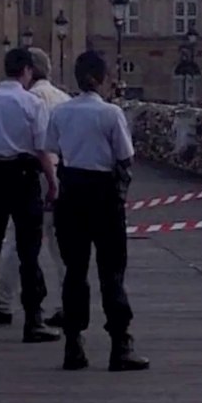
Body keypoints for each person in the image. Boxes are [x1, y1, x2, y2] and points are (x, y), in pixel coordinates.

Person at [48, 51, 149, 372]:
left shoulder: (61, 112)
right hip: (103, 193)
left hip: (71, 191)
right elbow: (125, 156)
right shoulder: (110, 113)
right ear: (102, 78)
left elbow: (53, 149)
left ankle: (73, 344)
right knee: (112, 272)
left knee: (74, 271)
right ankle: (120, 344)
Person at [0, 47, 61, 344]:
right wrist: (52, 182)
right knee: (29, 252)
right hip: (24, 178)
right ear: (28, 71)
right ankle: (33, 321)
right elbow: (42, 148)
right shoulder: (33, 103)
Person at [0, 48, 71, 328]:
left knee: (18, 243)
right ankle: (68, 303)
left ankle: (3, 303)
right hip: (62, 173)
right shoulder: (64, 99)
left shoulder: (29, 99)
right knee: (61, 246)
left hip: (34, 175)